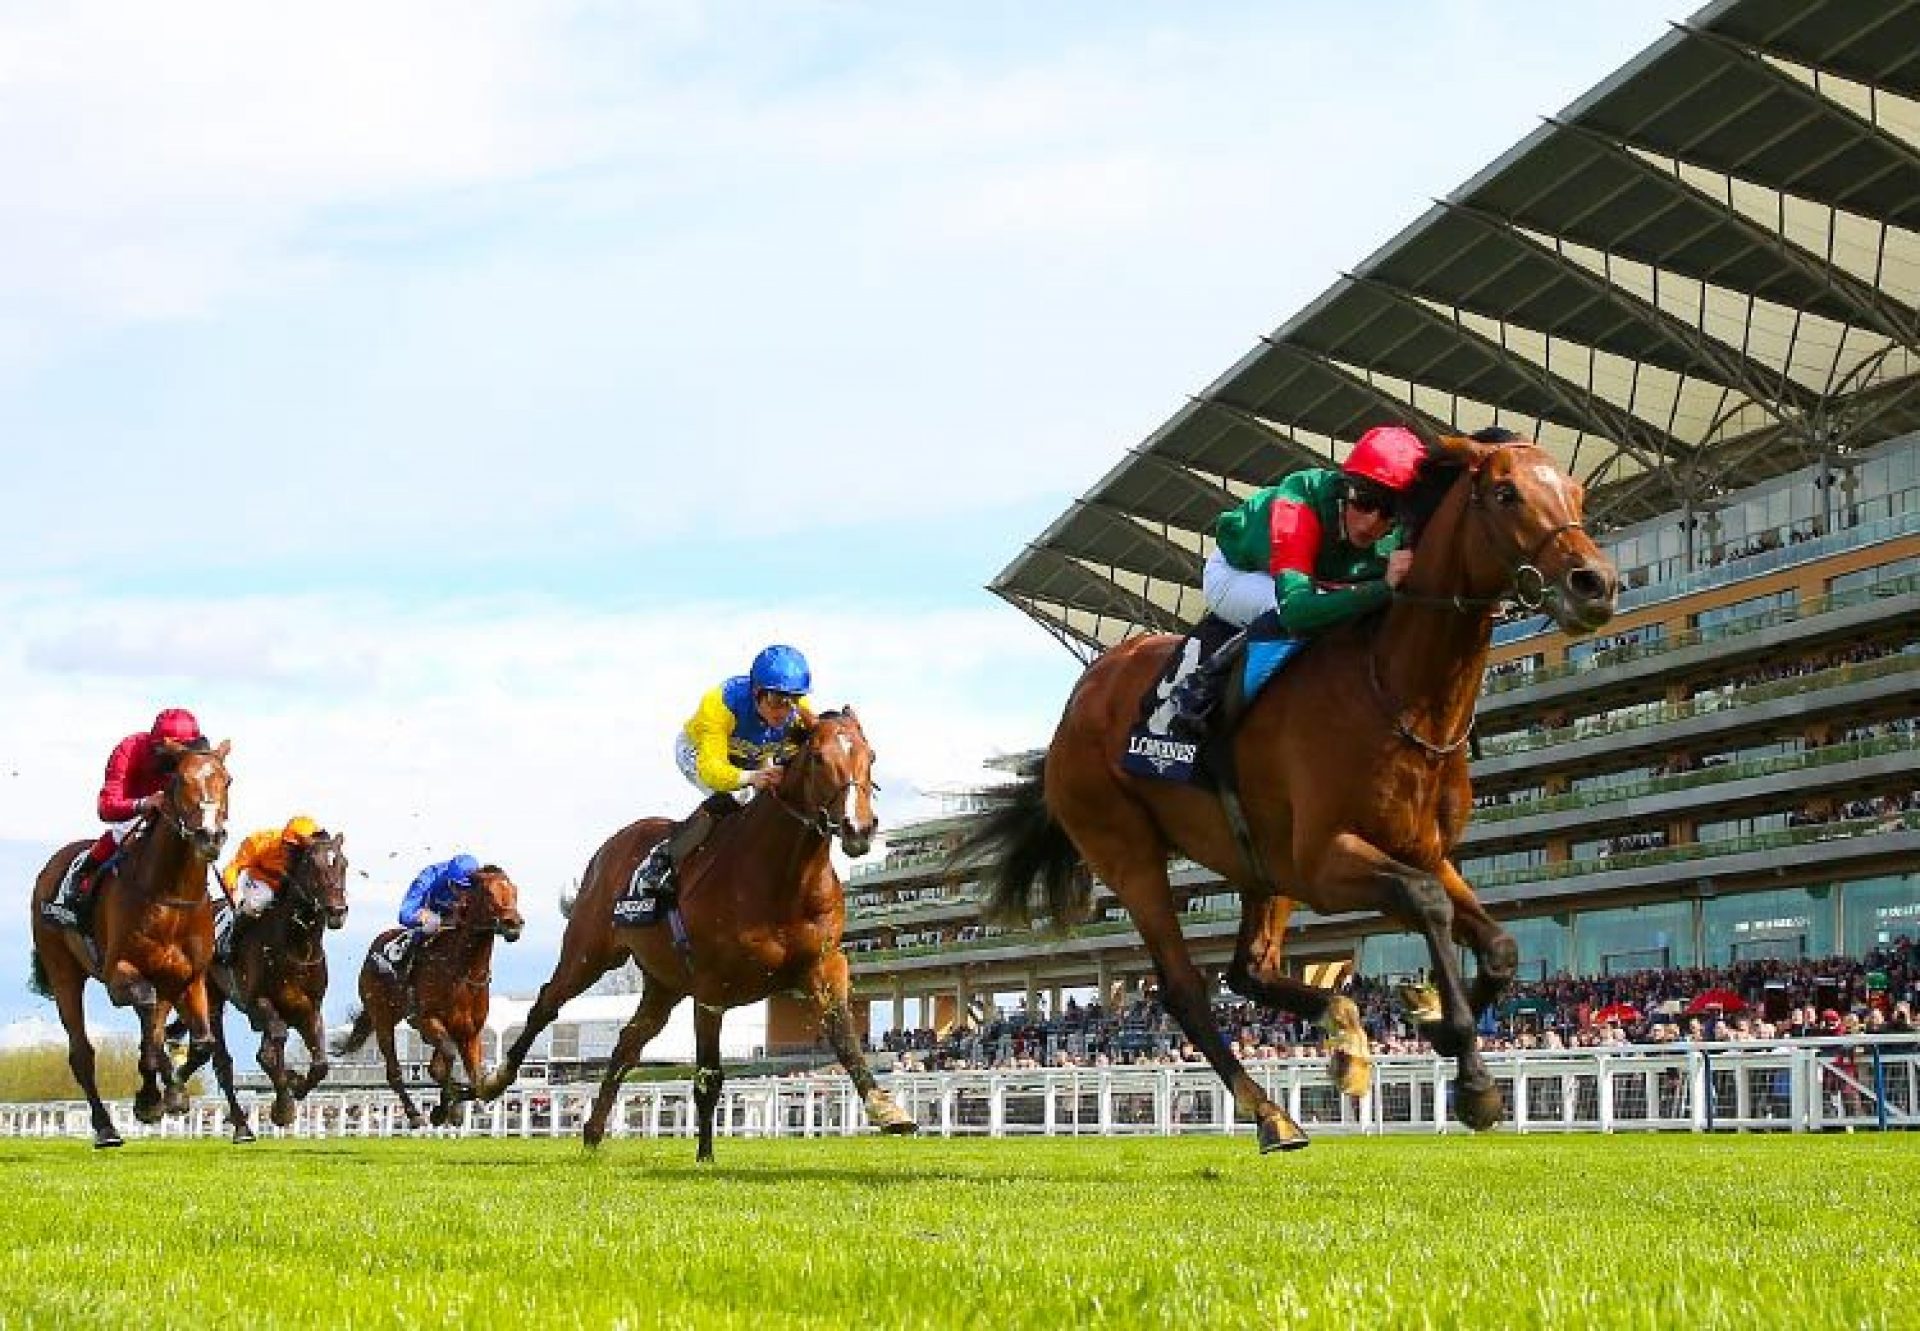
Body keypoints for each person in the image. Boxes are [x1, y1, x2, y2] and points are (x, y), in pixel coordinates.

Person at [1168, 424, 1429, 731]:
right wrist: (1382, 588)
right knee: (1295, 612)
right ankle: (1202, 685)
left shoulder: (1399, 533)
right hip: (1239, 572)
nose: (1372, 522)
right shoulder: (1299, 501)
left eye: (1389, 511)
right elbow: (1297, 612)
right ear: (1345, 487)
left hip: (1318, 578)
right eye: (1364, 500)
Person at [628, 644, 816, 904]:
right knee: (736, 797)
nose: (784, 712)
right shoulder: (720, 705)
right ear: (756, 692)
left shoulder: (798, 711)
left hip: (753, 754)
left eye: (792, 701)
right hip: (701, 753)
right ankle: (662, 860)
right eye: (776, 701)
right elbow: (712, 771)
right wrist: (751, 778)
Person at [49, 707, 205, 927]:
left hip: (174, 817)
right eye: (171, 755)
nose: (177, 762)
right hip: (135, 812)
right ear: (159, 746)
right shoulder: (129, 749)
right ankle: (77, 883)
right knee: (123, 832)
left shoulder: (198, 760)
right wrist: (143, 803)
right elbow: (106, 807)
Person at [214, 815, 323, 958]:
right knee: (263, 898)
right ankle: (229, 938)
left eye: (300, 849)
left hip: (289, 887)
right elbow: (234, 867)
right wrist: (232, 889)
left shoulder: (313, 855)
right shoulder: (260, 842)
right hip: (260, 881)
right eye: (289, 846)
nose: (291, 852)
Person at [384, 852, 482, 974]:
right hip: (431, 917)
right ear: (449, 880)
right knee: (431, 924)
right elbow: (404, 914)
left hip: (455, 924)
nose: (463, 894)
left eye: (468, 889)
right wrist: (431, 919)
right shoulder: (427, 879)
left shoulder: (480, 886)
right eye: (458, 887)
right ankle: (398, 958)